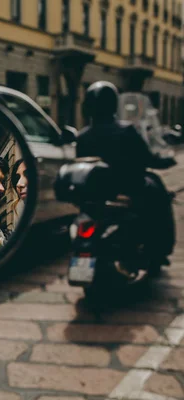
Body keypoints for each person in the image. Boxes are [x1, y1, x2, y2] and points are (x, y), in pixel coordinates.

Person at [76, 80, 175, 267]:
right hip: (128, 188)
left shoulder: (82, 136)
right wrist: (164, 161)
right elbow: (147, 158)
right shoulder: (127, 130)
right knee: (159, 197)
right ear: (113, 104)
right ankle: (158, 248)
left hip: (97, 193)